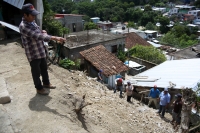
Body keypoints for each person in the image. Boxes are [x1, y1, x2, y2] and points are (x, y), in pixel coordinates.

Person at [19, 3, 66, 95]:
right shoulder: (23, 26)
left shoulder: (32, 21)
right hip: (33, 53)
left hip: (40, 50)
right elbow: (38, 36)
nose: (34, 16)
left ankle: (46, 83)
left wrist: (42, 31)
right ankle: (39, 88)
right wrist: (56, 38)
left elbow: (38, 32)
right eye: (32, 15)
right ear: (25, 15)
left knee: (44, 68)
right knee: (36, 72)